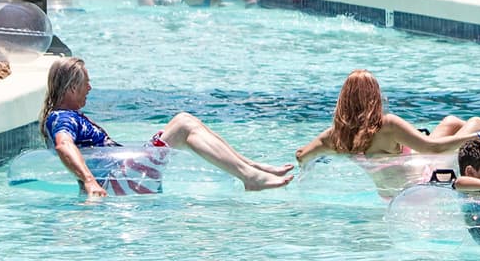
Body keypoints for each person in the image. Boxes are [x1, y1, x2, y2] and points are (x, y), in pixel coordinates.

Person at [39, 57, 292, 197]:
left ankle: (251, 168)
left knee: (187, 121)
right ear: (72, 88)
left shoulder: (68, 115)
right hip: (118, 183)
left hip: (124, 178)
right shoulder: (62, 118)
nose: (90, 88)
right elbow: (63, 144)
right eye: (86, 83)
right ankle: (250, 177)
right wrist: (90, 181)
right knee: (182, 124)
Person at [295, 70, 480, 196]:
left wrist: (310, 164)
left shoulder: (335, 136)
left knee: (449, 121)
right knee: (475, 123)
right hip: (421, 182)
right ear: (375, 97)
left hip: (391, 191)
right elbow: (433, 149)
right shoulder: (386, 125)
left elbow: (301, 156)